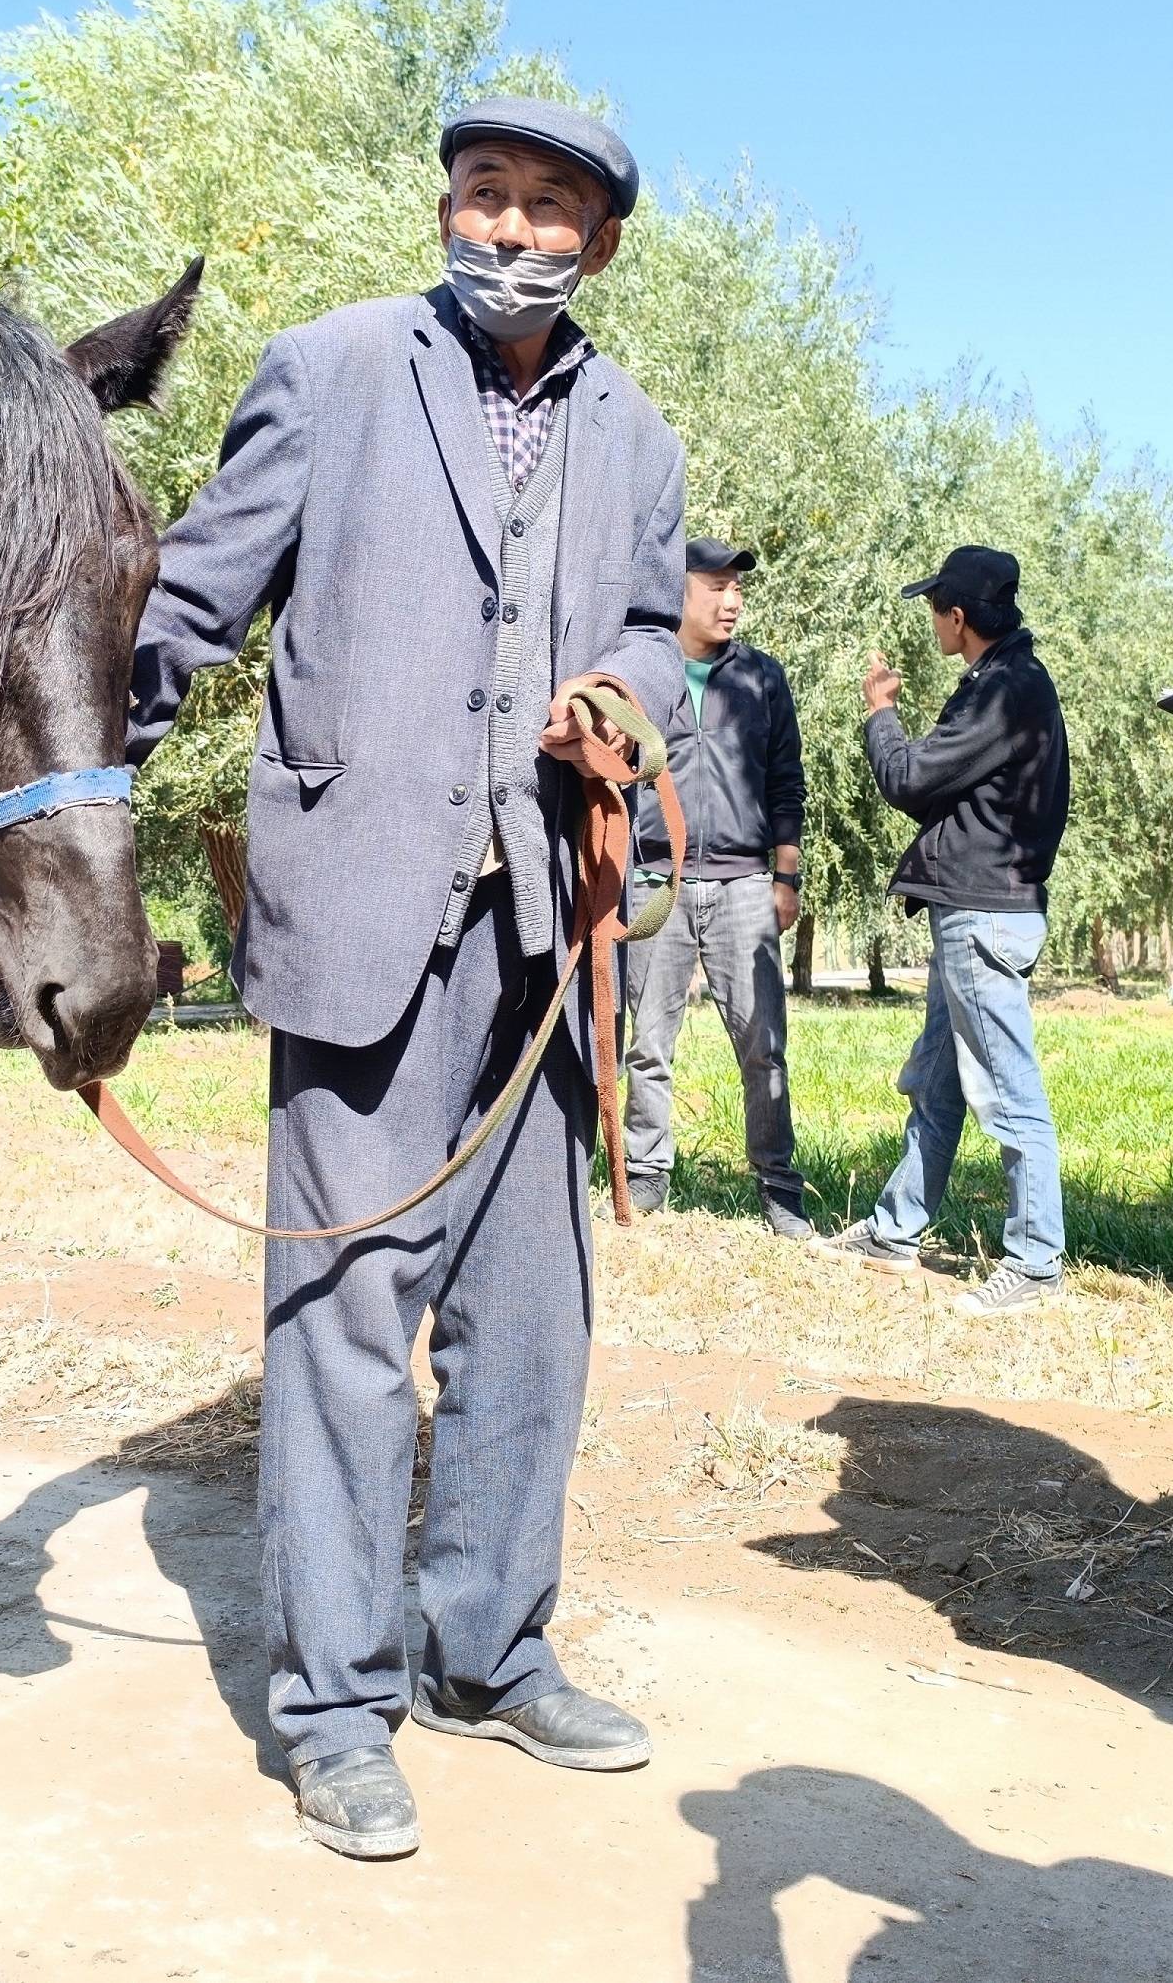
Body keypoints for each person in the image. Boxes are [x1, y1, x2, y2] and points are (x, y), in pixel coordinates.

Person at [126, 97, 689, 1860]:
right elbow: (190, 603)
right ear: (447, 204)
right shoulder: (333, 369)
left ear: (597, 245)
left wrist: (627, 700)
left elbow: (661, 633)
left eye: (551, 212)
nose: (512, 230)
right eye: (486, 195)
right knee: (348, 1323)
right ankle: (335, 1708)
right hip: (364, 918)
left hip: (545, 931)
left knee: (530, 1329)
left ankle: (490, 1651)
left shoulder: (640, 435)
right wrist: (39, 811)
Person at [838, 547, 1071, 1315]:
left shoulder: (1002, 692)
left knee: (1007, 1091)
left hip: (983, 915)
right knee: (937, 1081)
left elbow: (909, 778)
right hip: (977, 911)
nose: (933, 621)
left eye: (935, 607)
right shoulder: (1008, 683)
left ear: (959, 616)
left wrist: (880, 713)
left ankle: (1035, 1261)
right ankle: (894, 1230)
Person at [621, 537, 811, 1234]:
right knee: (649, 1044)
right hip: (655, 882)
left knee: (763, 1043)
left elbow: (786, 784)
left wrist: (784, 875)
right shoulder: (643, 675)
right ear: (679, 592)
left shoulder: (762, 679)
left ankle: (779, 1186)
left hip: (742, 885)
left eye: (739, 589)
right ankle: (645, 1176)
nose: (732, 601)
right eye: (717, 587)